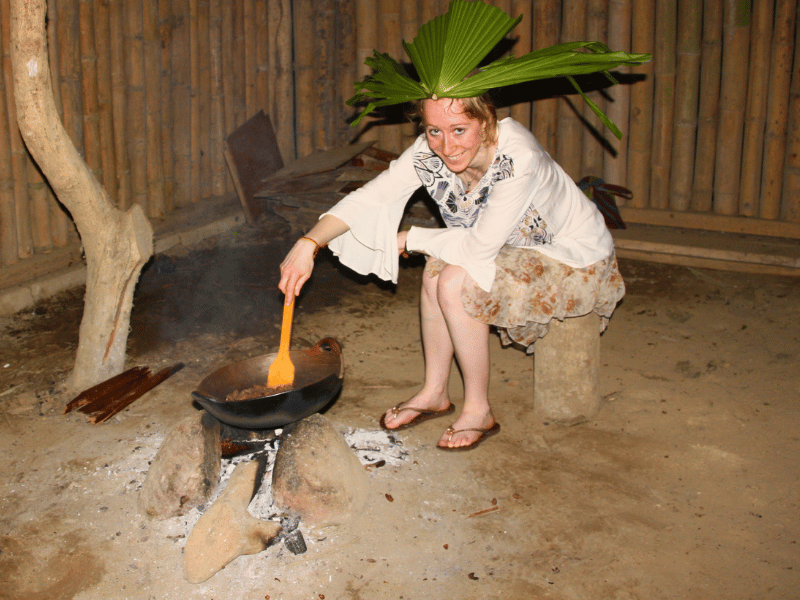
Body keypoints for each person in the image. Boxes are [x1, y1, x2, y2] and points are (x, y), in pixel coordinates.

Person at [278, 0, 650, 450]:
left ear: (485, 118)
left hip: (571, 255)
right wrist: (308, 243)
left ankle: (480, 409)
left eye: (459, 130)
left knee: (454, 279)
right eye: (434, 130)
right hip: (510, 247)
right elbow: (373, 195)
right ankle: (435, 393)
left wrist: (409, 237)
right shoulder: (429, 150)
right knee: (436, 271)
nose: (446, 145)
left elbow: (478, 249)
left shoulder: (518, 158)